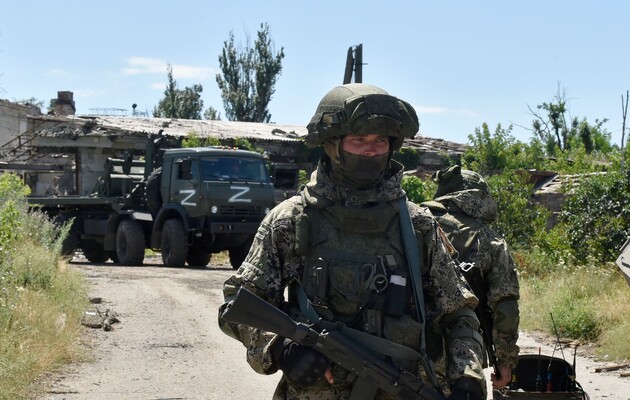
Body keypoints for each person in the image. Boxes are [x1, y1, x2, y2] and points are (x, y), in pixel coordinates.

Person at [218, 83, 486, 400]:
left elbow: (459, 315)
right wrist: (279, 347)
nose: (370, 150)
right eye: (359, 140)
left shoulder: (417, 225)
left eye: (380, 141)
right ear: (332, 144)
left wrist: (468, 377)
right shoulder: (291, 220)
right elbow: (237, 305)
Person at [421, 165, 520, 390]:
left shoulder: (413, 223)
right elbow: (505, 308)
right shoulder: (489, 240)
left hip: (401, 352)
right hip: (462, 358)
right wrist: (505, 362)